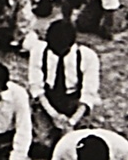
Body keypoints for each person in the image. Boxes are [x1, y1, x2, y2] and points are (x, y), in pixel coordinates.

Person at [28, 18, 101, 152]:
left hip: (74, 102)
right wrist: (54, 115)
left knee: (76, 144)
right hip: (48, 101)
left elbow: (88, 95)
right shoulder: (38, 51)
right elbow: (36, 88)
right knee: (45, 142)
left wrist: (71, 121)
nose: (56, 53)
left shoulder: (87, 56)